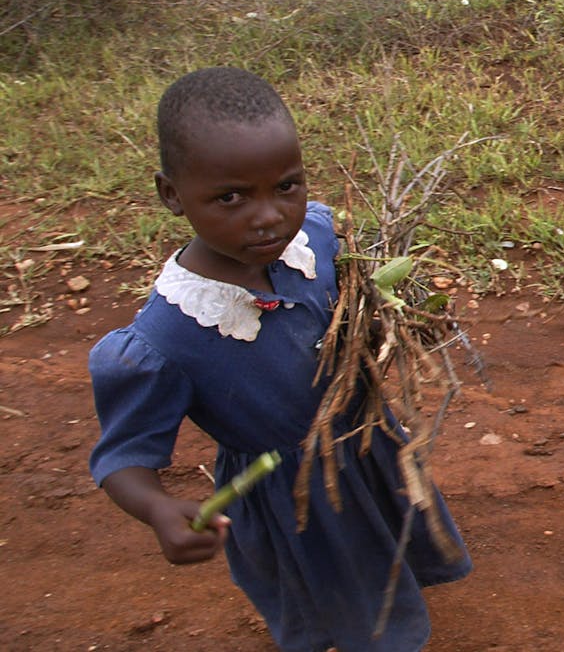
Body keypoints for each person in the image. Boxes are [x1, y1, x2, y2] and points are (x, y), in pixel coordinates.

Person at [88, 66, 472, 650]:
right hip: (298, 501)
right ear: (171, 194)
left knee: (387, 550)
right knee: (343, 593)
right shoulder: (166, 339)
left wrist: (393, 316)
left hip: (367, 445)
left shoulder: (314, 237)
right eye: (231, 197)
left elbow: (350, 302)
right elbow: (123, 458)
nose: (268, 215)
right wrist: (157, 510)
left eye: (285, 186)